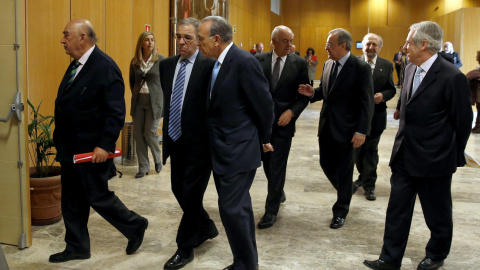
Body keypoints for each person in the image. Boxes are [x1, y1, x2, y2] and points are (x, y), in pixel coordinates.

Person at [364, 21, 472, 270]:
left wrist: (452, 157)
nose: (404, 47)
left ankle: (436, 254)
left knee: (437, 213)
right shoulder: (410, 68)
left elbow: (463, 122)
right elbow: (407, 101)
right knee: (397, 210)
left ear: (424, 44)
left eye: (408, 42)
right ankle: (389, 259)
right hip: (404, 154)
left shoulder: (452, 77)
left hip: (435, 160)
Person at [50, 19, 148, 263]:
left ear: (83, 37)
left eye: (66, 35)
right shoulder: (76, 65)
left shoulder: (104, 66)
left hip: (90, 150)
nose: (62, 40)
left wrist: (104, 145)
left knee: (97, 197)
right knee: (72, 200)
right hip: (70, 148)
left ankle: (135, 225)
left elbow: (115, 111)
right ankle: (77, 247)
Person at [198, 16, 275, 270]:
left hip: (239, 151)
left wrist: (264, 139)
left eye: (201, 38)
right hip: (221, 150)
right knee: (238, 209)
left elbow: (264, 106)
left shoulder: (243, 62)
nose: (199, 44)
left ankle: (246, 265)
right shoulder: (214, 64)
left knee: (231, 208)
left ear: (217, 39)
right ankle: (245, 262)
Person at [298, 28, 374, 229]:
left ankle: (340, 210)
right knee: (325, 163)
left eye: (330, 44)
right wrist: (311, 93)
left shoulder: (360, 67)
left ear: (343, 45)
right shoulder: (328, 64)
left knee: (344, 169)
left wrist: (361, 130)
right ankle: (347, 190)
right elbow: (325, 92)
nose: (326, 47)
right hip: (326, 127)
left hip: (348, 130)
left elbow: (367, 103)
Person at [159, 17, 218, 270]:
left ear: (199, 40)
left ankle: (185, 248)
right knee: (178, 190)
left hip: (201, 145)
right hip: (175, 141)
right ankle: (206, 226)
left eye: (188, 38)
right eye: (178, 37)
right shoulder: (167, 66)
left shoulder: (210, 67)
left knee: (192, 195)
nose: (181, 42)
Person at [255, 25, 309, 229]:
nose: (290, 44)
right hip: (261, 124)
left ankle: (271, 211)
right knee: (267, 165)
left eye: (291, 40)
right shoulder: (258, 60)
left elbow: (304, 96)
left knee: (277, 166)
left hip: (284, 124)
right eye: (285, 40)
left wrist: (292, 112)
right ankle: (279, 191)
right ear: (274, 41)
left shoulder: (300, 64)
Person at [354, 33, 396, 201]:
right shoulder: (354, 62)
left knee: (370, 151)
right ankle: (362, 176)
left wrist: (383, 96)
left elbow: (392, 89)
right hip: (356, 117)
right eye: (368, 44)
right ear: (362, 45)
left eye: (374, 44)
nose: (370, 47)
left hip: (376, 117)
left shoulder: (386, 65)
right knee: (357, 152)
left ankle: (369, 185)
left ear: (380, 47)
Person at [129, 31, 164, 178]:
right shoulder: (135, 61)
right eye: (147, 40)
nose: (150, 42)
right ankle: (143, 167)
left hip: (154, 102)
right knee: (138, 134)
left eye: (152, 40)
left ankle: (157, 158)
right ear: (141, 43)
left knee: (149, 132)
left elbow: (166, 82)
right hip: (138, 101)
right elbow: (132, 82)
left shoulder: (161, 60)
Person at [466, 50, 480, 133]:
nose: (476, 58)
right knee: (478, 108)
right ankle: (477, 125)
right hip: (477, 91)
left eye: (477, 56)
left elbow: (472, 75)